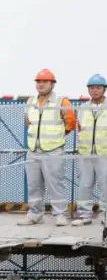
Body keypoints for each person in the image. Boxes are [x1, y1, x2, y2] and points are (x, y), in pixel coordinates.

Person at [19, 69, 76, 225]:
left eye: (45, 81)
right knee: (33, 185)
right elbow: (28, 122)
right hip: (33, 151)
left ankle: (60, 215)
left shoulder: (62, 102)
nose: (41, 84)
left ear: (52, 84)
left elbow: (70, 123)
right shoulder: (30, 102)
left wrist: (55, 137)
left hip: (53, 151)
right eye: (38, 81)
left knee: (56, 184)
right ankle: (35, 214)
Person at [73, 74, 107, 226]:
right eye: (92, 88)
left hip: (105, 154)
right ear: (88, 90)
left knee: (106, 185)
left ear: (104, 89)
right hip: (86, 153)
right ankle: (84, 215)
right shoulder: (82, 108)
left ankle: (106, 215)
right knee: (84, 185)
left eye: (98, 88)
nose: (95, 90)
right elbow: (79, 128)